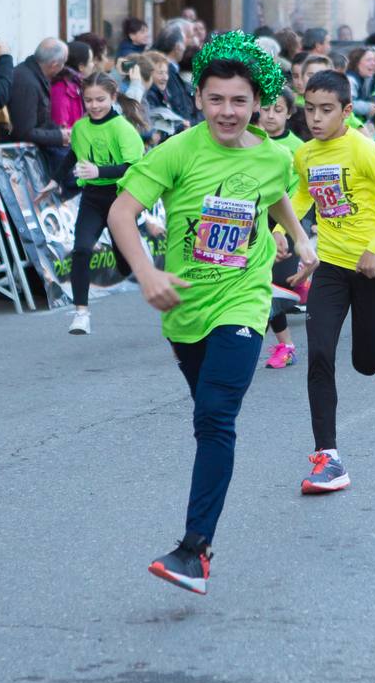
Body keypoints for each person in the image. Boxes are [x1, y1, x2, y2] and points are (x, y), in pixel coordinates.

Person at [104, 32, 315, 595]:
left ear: (257, 105)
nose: (228, 111)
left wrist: (299, 237)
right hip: (183, 306)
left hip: (244, 297)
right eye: (217, 99)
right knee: (208, 414)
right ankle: (196, 546)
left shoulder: (275, 155)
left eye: (239, 101)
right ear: (198, 99)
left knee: (215, 419)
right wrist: (147, 273)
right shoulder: (177, 150)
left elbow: (273, 192)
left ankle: (194, 550)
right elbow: (122, 214)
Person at [286, 70, 375, 492]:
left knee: (367, 363)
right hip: (329, 265)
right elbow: (305, 195)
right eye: (309, 110)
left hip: (370, 266)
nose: (316, 118)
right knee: (320, 353)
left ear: (347, 111)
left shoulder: (365, 151)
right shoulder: (305, 154)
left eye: (326, 110)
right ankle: (328, 456)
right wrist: (285, 232)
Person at [65, 73, 144, 335]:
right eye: (88, 100)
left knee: (125, 264)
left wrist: (99, 171)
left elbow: (133, 167)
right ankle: (81, 314)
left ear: (113, 97)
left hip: (119, 199)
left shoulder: (122, 128)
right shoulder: (80, 128)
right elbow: (73, 156)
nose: (94, 105)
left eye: (100, 99)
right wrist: (54, 182)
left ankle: (126, 251)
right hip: (92, 199)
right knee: (81, 250)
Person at [6, 37, 75, 183]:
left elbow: (40, 120)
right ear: (54, 65)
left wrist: (60, 131)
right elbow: (24, 131)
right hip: (19, 161)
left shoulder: (34, 75)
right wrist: (58, 136)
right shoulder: (28, 83)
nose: (64, 68)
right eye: (63, 63)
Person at [152, 23, 200, 125]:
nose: (185, 48)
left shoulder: (172, 70)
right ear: (177, 47)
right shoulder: (168, 71)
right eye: (184, 43)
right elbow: (178, 106)